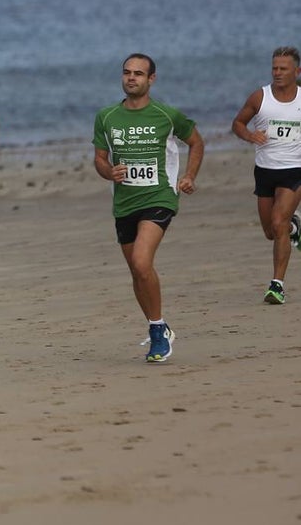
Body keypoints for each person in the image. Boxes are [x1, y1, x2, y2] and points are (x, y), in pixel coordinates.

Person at [93, 54, 204, 363]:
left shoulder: (166, 115)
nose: (132, 78)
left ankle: (157, 331)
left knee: (142, 262)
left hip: (159, 198)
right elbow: (100, 158)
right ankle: (160, 325)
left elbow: (197, 142)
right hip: (124, 202)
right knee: (137, 271)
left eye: (139, 74)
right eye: (127, 73)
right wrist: (108, 171)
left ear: (151, 79)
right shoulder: (107, 117)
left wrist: (189, 176)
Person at [230, 46, 301, 305]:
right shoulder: (260, 97)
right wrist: (250, 135)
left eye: (283, 68)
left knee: (278, 222)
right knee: (271, 231)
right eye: (274, 68)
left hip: (295, 170)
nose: (278, 73)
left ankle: (277, 285)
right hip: (265, 171)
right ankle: (295, 227)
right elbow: (237, 123)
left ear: (297, 71)